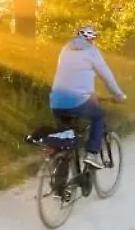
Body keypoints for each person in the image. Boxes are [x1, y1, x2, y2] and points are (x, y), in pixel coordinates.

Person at [49, 25, 127, 169]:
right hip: (77, 101)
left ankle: (60, 180)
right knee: (98, 116)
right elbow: (106, 76)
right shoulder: (92, 52)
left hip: (56, 101)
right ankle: (91, 153)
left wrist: (89, 92)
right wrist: (118, 95)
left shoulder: (65, 49)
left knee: (66, 139)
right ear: (92, 39)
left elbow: (73, 75)